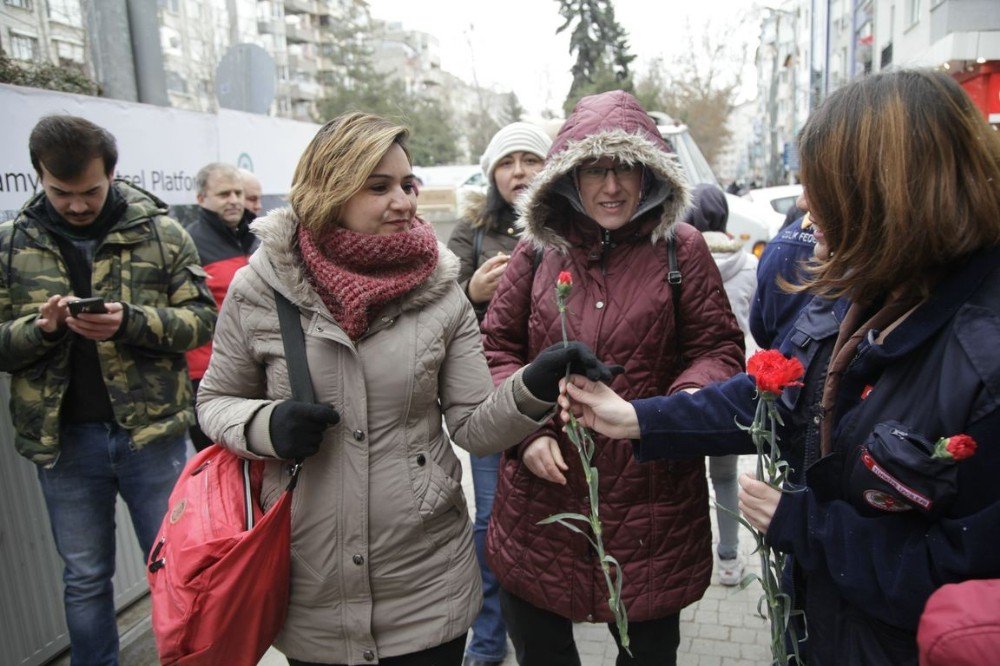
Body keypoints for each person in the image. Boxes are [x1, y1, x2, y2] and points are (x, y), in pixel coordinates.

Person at [559, 69, 1000, 664]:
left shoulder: (984, 360)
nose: (804, 210)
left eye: (820, 188)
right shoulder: (861, 288)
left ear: (889, 197)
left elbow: (965, 571)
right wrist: (637, 418)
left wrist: (806, 525)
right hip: (823, 626)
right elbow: (770, 392)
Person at [195, 112, 616, 666]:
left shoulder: (440, 292)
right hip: (312, 579)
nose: (404, 201)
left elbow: (473, 426)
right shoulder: (261, 287)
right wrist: (265, 426)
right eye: (379, 187)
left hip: (425, 578)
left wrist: (535, 382)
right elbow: (213, 402)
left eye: (407, 184)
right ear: (329, 191)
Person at [480, 90, 745, 666]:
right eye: (594, 169)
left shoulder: (683, 248)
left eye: (627, 168)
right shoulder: (536, 251)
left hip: (651, 501)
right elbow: (495, 348)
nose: (611, 187)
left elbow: (718, 348)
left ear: (651, 173)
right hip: (542, 499)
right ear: (567, 176)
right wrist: (528, 433)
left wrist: (669, 413)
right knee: (543, 649)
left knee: (648, 651)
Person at [0, 115, 217, 665]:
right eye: (61, 192)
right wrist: (42, 329)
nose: (77, 205)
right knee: (86, 577)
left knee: (177, 570)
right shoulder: (10, 245)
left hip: (154, 437)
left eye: (91, 191)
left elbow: (201, 321)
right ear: (38, 178)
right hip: (64, 441)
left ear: (113, 175)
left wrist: (130, 323)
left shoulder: (161, 232)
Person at [446, 121, 552, 666]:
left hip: (559, 394)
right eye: (506, 162)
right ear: (492, 174)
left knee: (558, 508)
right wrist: (472, 291)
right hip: (491, 393)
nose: (518, 171)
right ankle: (489, 637)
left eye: (529, 159)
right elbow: (436, 309)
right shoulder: (470, 231)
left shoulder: (566, 225)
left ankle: (551, 609)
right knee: (489, 519)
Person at [685, 183, 758, 586]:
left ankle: (683, 558)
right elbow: (761, 323)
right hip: (734, 381)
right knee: (725, 476)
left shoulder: (677, 260)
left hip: (687, 383)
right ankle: (729, 560)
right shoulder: (748, 265)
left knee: (685, 474)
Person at [185, 162, 259, 450]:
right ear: (201, 199)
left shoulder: (256, 236)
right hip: (209, 376)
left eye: (238, 193)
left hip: (256, 368)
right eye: (224, 194)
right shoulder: (189, 244)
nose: (234, 201)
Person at [749, 206, 817, 350]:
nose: (802, 202)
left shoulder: (776, 244)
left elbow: (757, 327)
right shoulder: (842, 247)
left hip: (782, 361)